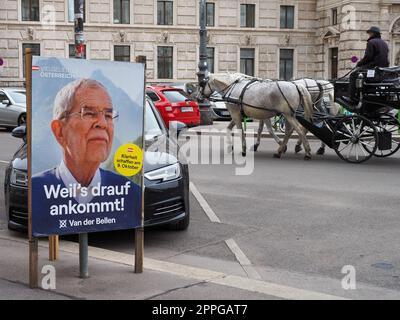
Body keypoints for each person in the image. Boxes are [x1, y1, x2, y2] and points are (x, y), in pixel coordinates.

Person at [32, 79, 141, 236]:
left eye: (109, 115)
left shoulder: (131, 194)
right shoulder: (36, 192)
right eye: (89, 113)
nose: (102, 123)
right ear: (59, 131)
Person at [345, 26, 389, 104]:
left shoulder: (371, 42)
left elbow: (368, 57)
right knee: (361, 74)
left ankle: (352, 97)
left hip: (373, 69)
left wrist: (359, 63)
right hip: (382, 71)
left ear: (372, 33)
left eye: (369, 33)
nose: (368, 35)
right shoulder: (384, 43)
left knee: (353, 75)